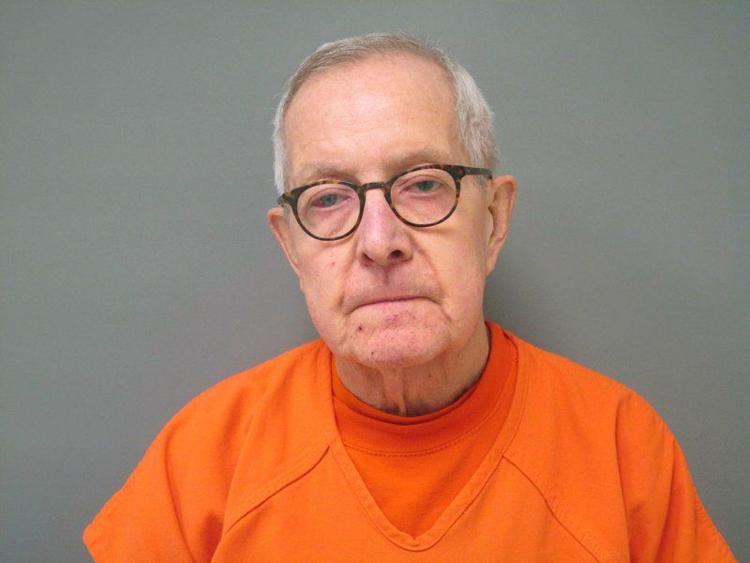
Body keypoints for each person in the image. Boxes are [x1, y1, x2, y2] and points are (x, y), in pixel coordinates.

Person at [83, 33, 736, 561]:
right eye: (329, 198)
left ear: (494, 220)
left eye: (424, 183)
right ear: (291, 247)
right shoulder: (203, 457)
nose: (380, 241)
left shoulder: (621, 447)